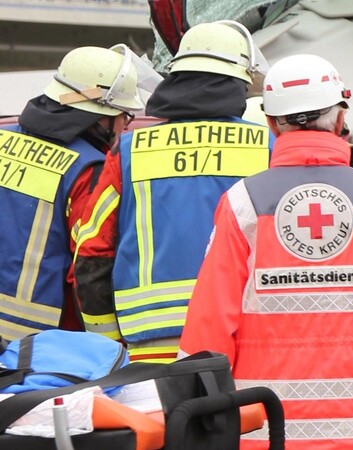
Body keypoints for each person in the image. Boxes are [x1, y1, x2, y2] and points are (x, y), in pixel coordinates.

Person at [178, 53, 353, 450]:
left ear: (271, 123)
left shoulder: (242, 203)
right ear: (341, 119)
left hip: (263, 430)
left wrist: (200, 413)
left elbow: (211, 318)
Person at [73, 20, 271, 363]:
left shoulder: (129, 151)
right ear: (240, 84)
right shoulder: (266, 147)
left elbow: (92, 253)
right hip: (243, 337)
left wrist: (107, 347)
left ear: (176, 78)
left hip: (151, 345)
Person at [0, 44, 146, 340]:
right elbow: (86, 267)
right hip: (36, 345)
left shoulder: (3, 139)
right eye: (123, 115)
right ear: (98, 116)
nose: (124, 126)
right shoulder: (86, 169)